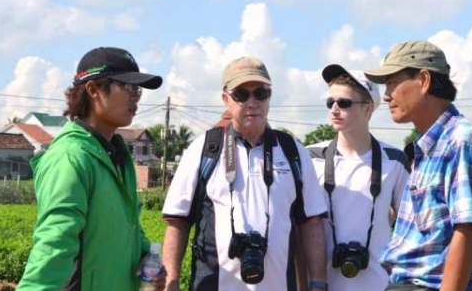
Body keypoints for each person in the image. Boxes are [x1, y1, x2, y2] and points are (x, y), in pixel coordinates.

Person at [161, 57, 328, 291]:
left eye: (261, 93)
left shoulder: (293, 151)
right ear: (225, 99)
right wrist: (171, 282)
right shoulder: (204, 149)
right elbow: (177, 222)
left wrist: (318, 282)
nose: (252, 102)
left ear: (269, 97)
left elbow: (310, 222)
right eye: (241, 94)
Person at [17, 47, 165, 291]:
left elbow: (127, 226)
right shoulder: (71, 157)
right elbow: (54, 245)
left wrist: (145, 254)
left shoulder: (115, 155)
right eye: (127, 87)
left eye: (137, 89)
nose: (136, 96)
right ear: (93, 89)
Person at [364, 40, 472, 291]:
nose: (386, 96)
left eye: (393, 83)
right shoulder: (426, 147)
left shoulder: (460, 140)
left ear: (424, 80)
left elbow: (467, 231)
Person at [306, 65, 410, 291]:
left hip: (379, 284)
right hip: (322, 285)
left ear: (368, 109)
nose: (334, 109)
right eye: (330, 102)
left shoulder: (394, 160)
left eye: (344, 103)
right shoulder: (311, 157)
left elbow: (410, 228)